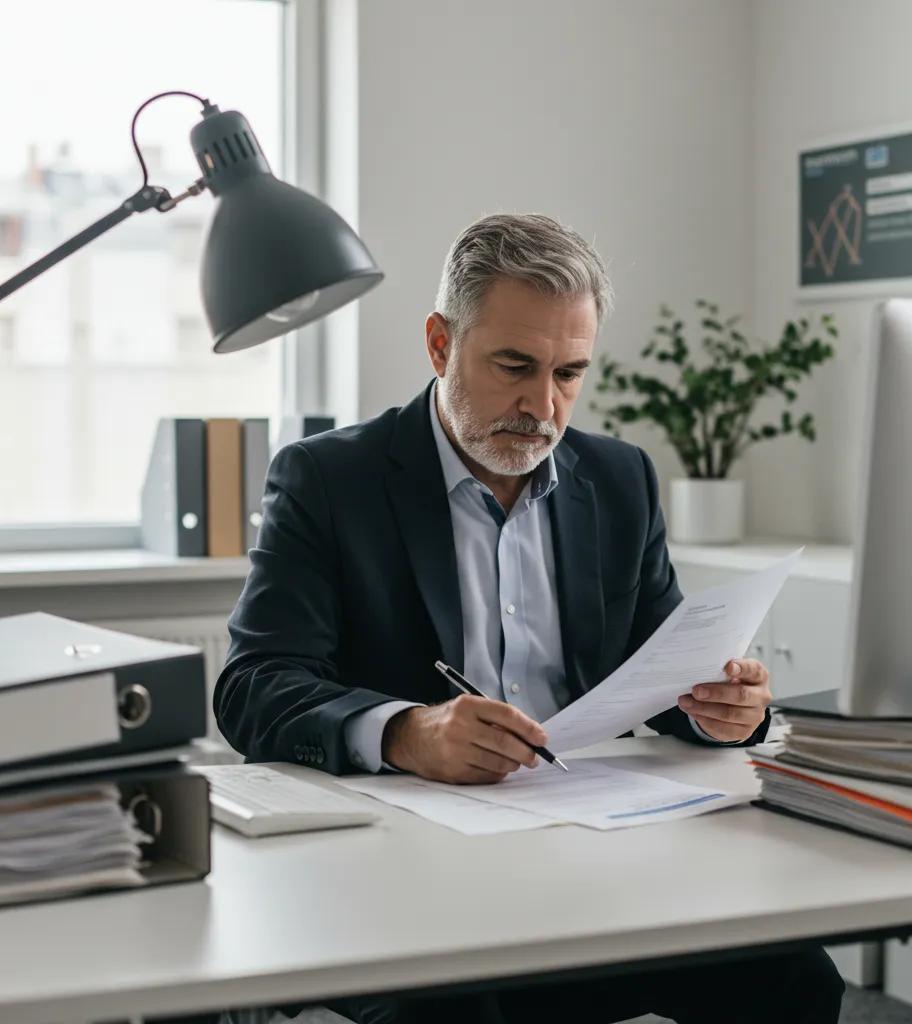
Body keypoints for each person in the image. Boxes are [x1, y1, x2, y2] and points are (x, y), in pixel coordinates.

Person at [214, 214, 844, 1023]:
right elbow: (254, 685)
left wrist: (726, 711)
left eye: (570, 373)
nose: (543, 405)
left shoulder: (620, 479)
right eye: (514, 365)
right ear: (441, 344)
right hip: (413, 877)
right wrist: (408, 731)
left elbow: (665, 669)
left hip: (599, 852)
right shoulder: (329, 479)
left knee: (796, 980)